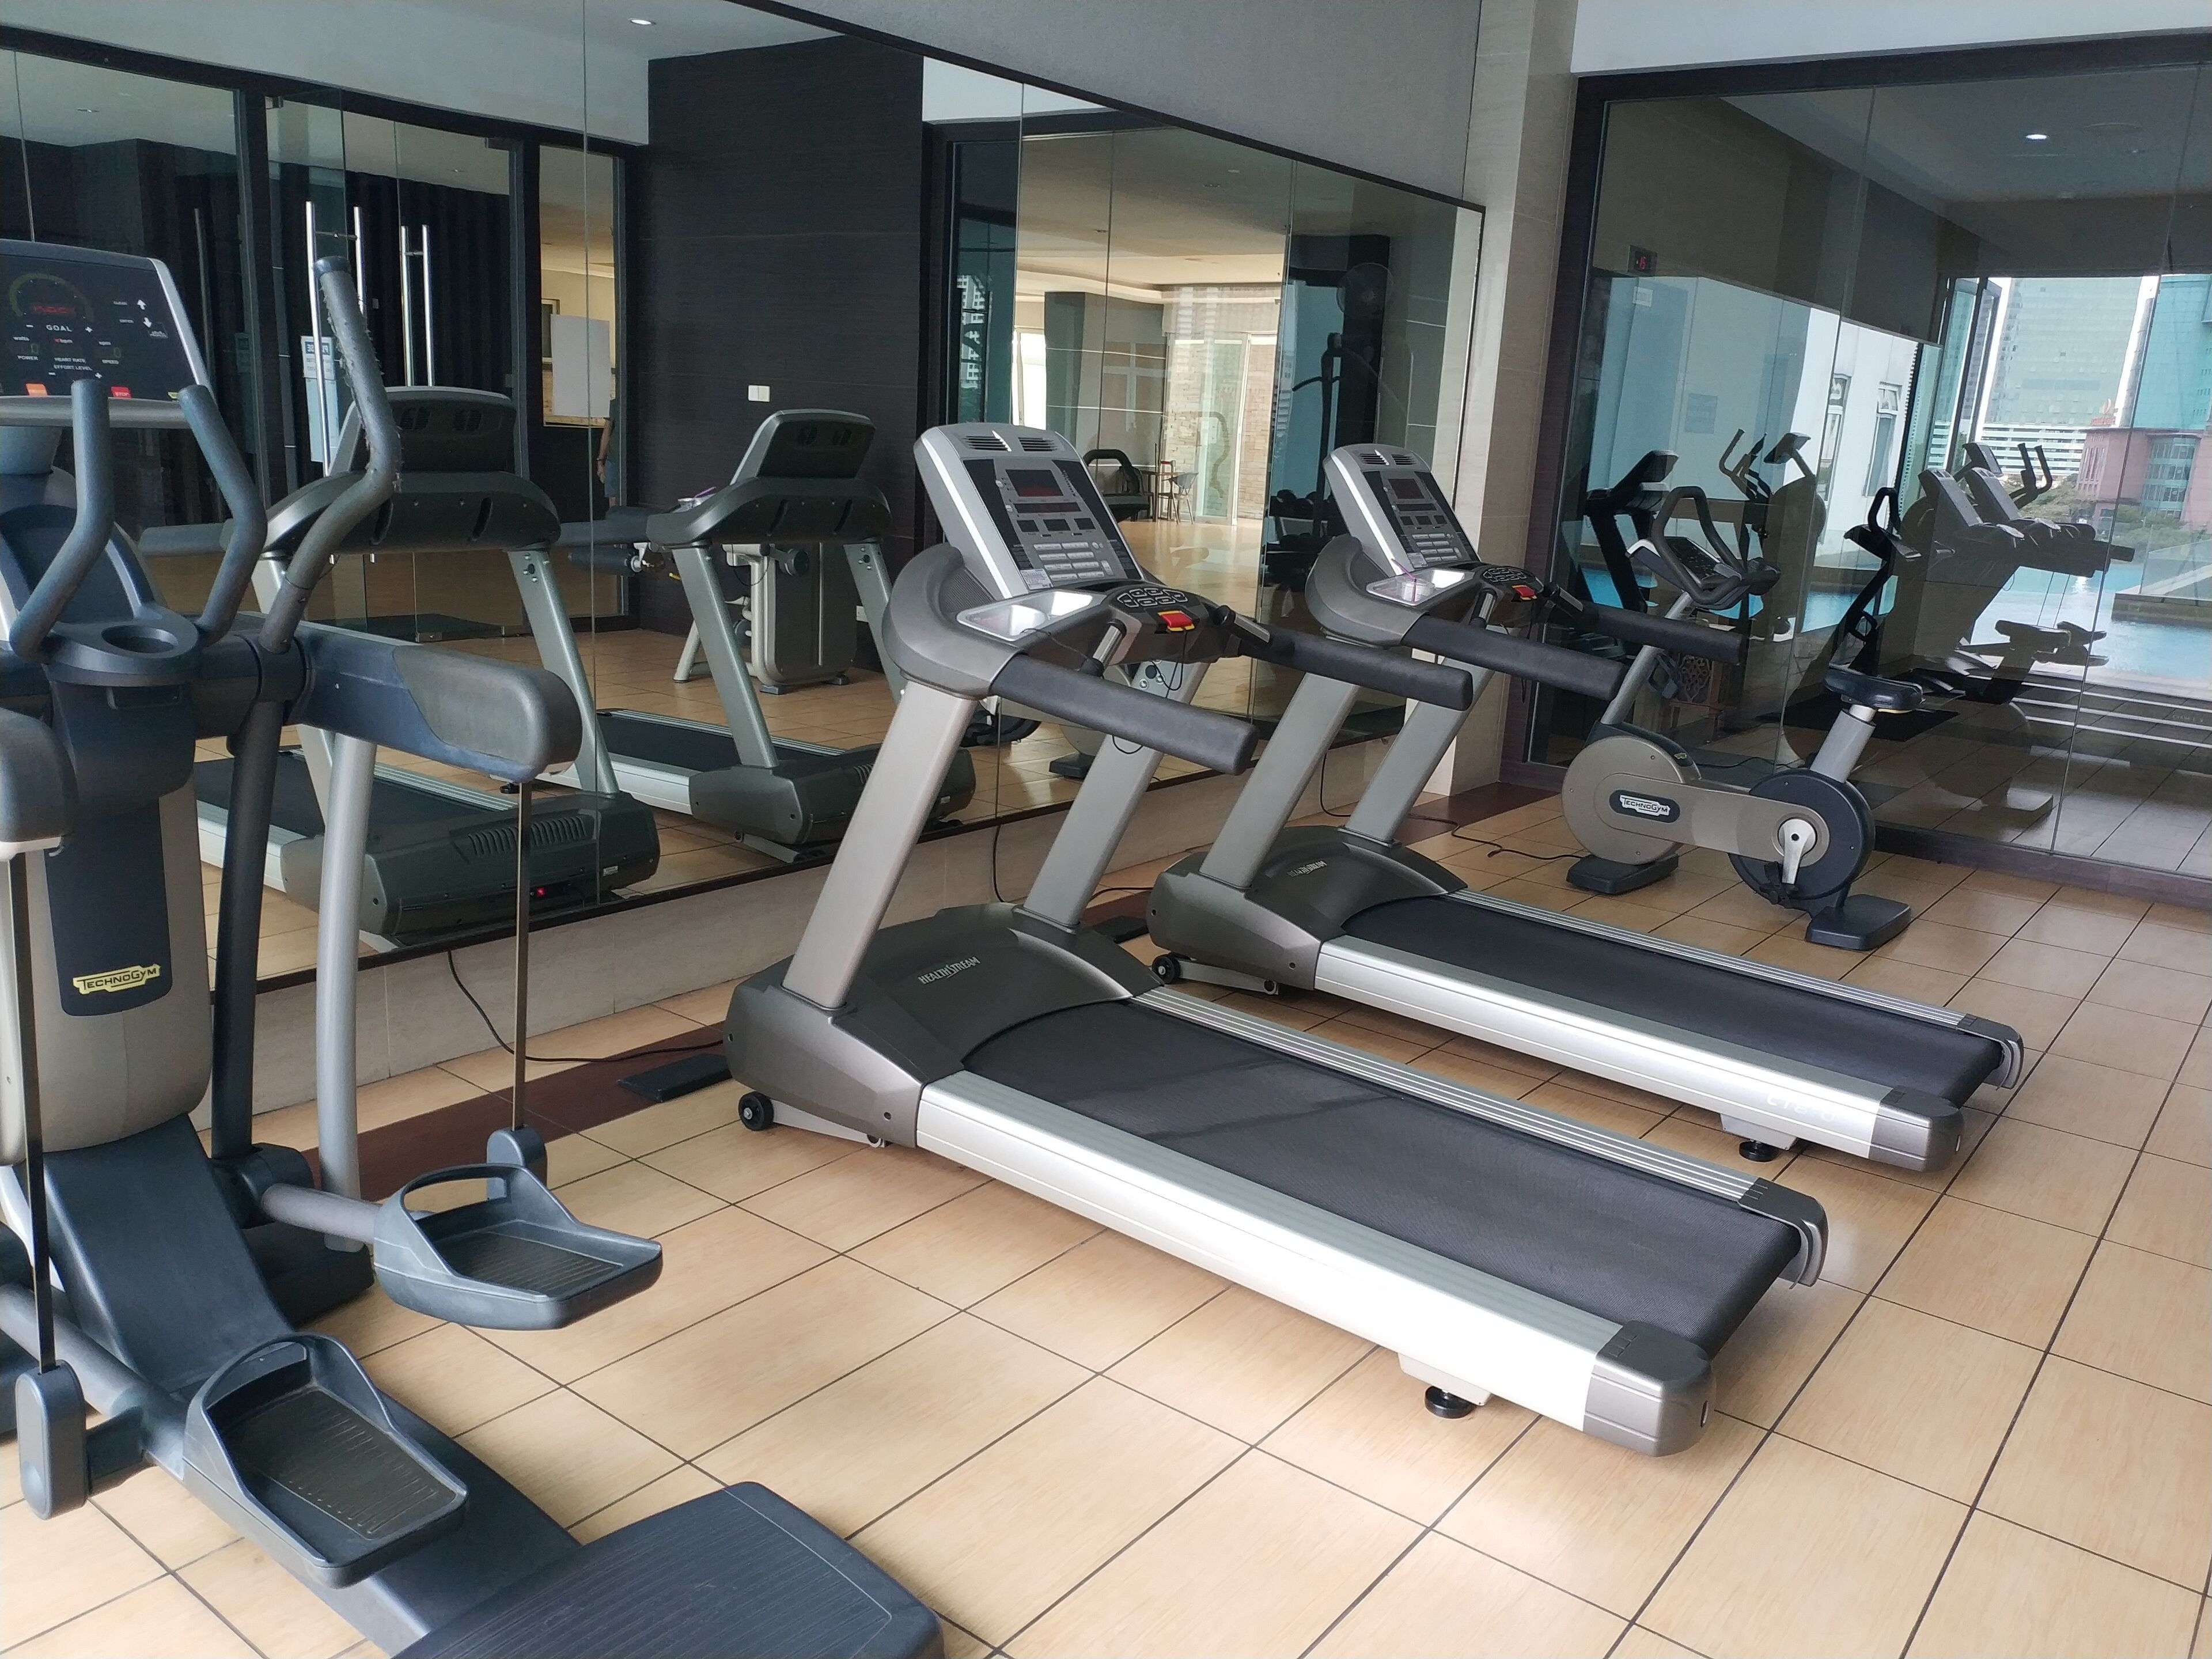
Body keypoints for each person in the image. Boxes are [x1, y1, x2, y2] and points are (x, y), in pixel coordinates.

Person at [596, 395, 620, 506]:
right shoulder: (614, 404)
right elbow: (606, 433)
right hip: (613, 459)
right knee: (613, 499)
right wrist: (600, 461)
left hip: (622, 459)